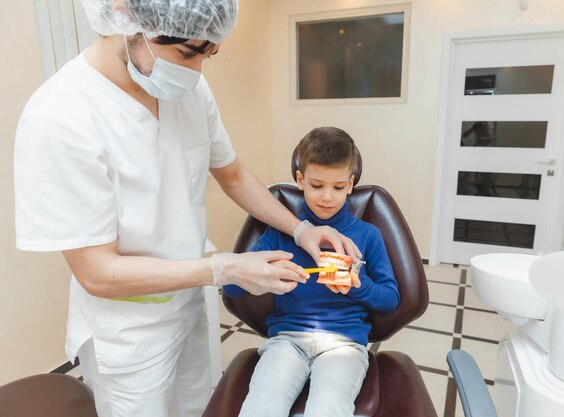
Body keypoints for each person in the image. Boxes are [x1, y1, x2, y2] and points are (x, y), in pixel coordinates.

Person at [13, 2, 360, 417]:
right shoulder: (61, 115)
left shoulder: (186, 88)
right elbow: (97, 273)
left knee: (199, 407)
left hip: (190, 306)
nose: (197, 72)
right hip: (129, 334)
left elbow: (231, 174)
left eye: (207, 54)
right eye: (187, 53)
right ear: (127, 17)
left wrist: (301, 227)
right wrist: (224, 269)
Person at [223, 127, 400, 417]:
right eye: (317, 186)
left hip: (344, 343)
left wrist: (359, 285)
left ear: (351, 184)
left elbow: (390, 299)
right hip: (287, 339)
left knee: (328, 408)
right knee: (262, 405)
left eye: (338, 187)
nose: (327, 197)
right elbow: (231, 289)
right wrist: (265, 274)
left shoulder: (367, 236)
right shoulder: (280, 233)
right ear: (300, 180)